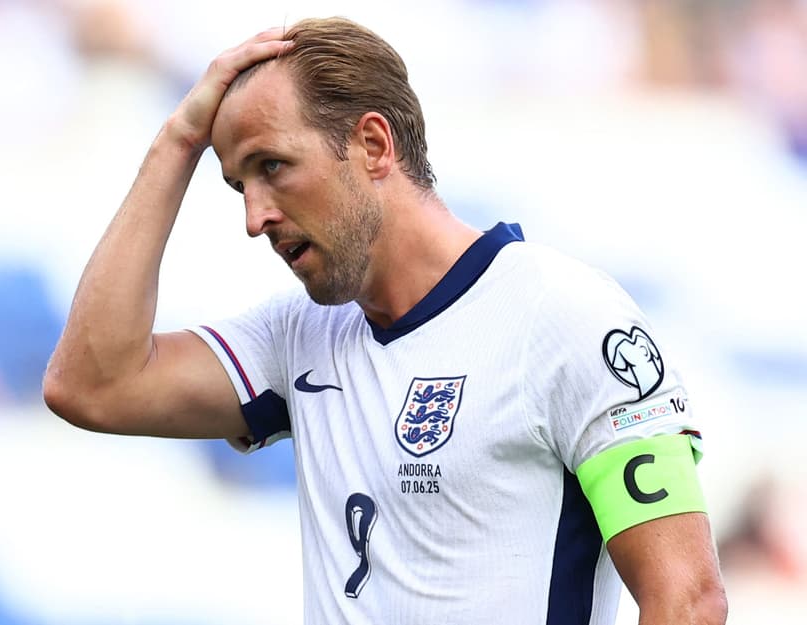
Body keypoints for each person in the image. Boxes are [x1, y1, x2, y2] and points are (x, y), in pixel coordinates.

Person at [43, 17, 728, 625]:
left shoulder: (565, 317)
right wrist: (176, 142)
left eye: (272, 166)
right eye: (238, 185)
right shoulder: (297, 340)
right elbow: (92, 385)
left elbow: (688, 600)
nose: (254, 217)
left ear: (373, 144)